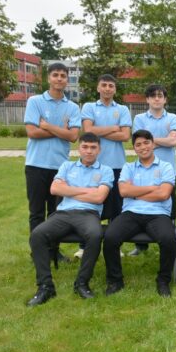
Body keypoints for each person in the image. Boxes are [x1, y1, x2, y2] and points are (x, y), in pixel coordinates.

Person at [26, 133, 113, 306]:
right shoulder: (67, 166)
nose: (89, 151)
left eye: (93, 147)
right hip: (63, 214)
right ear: (78, 148)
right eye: (85, 147)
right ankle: (45, 286)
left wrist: (70, 190)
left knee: (95, 235)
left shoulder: (106, 170)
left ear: (99, 150)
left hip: (89, 214)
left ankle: (82, 283)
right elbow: (54, 189)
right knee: (37, 234)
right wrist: (88, 191)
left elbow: (99, 198)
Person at [102, 130, 176, 298]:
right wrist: (152, 188)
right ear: (134, 148)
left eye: (146, 143)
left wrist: (134, 192)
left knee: (168, 239)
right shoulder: (128, 167)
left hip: (158, 213)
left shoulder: (166, 167)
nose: (143, 147)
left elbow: (164, 194)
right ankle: (115, 280)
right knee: (110, 237)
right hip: (131, 213)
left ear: (153, 144)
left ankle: (163, 281)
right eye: (138, 144)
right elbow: (123, 191)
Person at [24, 62, 81, 262]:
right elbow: (32, 132)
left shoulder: (72, 107)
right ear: (48, 78)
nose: (59, 79)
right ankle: (38, 252)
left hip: (60, 168)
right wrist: (61, 131)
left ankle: (53, 251)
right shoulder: (35, 101)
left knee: (56, 213)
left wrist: (47, 126)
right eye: (55, 75)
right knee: (37, 213)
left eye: (63, 76)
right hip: (36, 166)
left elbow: (73, 136)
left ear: (67, 80)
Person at [74, 74, 131, 259]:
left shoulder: (122, 109)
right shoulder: (89, 107)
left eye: (111, 86)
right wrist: (113, 128)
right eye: (104, 85)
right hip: (93, 165)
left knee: (116, 207)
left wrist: (99, 131)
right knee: (90, 204)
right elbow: (88, 131)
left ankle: (115, 245)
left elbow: (125, 136)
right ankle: (84, 245)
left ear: (115, 89)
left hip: (116, 165)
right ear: (98, 88)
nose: (107, 88)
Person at [129, 84, 176, 256]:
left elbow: (173, 141)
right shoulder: (139, 118)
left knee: (169, 208)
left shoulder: (172, 117)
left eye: (160, 96)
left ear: (165, 99)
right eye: (153, 96)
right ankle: (140, 245)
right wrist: (162, 140)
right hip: (144, 171)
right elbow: (139, 143)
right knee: (141, 205)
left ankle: (168, 243)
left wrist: (149, 141)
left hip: (168, 172)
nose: (157, 99)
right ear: (147, 99)